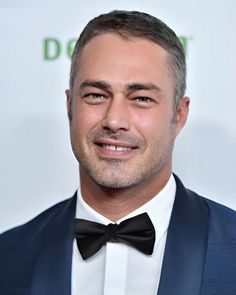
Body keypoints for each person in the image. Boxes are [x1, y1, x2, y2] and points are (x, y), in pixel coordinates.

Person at [0, 10, 236, 295]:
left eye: (142, 99)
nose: (114, 120)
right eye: (96, 95)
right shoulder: (8, 257)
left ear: (179, 115)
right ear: (69, 106)